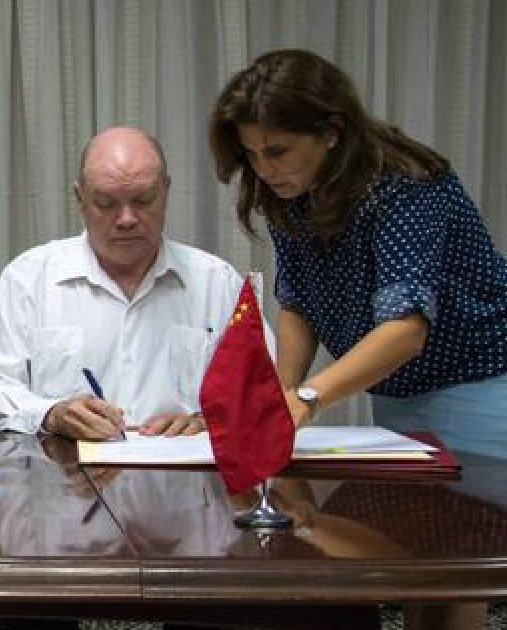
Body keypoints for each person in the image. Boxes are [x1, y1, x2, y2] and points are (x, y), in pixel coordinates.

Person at [208, 49, 507, 459]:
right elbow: (298, 304)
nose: (263, 169)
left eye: (277, 151)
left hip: (484, 387)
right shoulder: (292, 192)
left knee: (476, 519)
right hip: (397, 394)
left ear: (332, 132)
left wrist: (307, 398)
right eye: (252, 155)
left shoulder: (404, 187)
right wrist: (283, 393)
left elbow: (405, 329)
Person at [0, 126, 258, 441]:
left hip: (185, 483)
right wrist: (51, 414)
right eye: (106, 203)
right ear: (80, 199)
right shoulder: (28, 279)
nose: (127, 219)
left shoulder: (217, 283)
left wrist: (210, 420)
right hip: (63, 482)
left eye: (144, 199)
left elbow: (264, 394)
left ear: (166, 191)